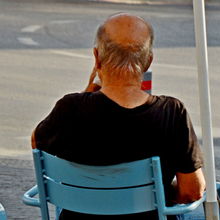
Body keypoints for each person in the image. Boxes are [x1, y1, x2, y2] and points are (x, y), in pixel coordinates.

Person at [31, 13, 206, 220]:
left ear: (97, 58)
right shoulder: (172, 113)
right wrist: (160, 191)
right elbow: (192, 191)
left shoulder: (70, 109)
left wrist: (88, 91)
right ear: (148, 61)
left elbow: (37, 143)